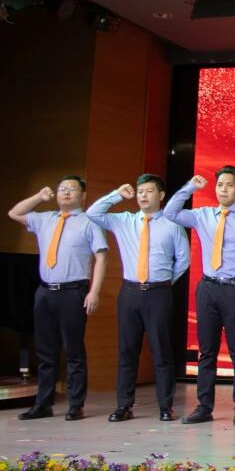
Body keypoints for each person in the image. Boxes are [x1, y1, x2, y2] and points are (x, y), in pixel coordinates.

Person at [164, 167, 235, 426]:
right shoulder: (203, 215)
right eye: (220, 184)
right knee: (207, 351)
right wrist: (190, 187)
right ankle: (204, 407)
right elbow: (170, 213)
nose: (224, 189)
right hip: (208, 288)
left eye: (229, 185)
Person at [87, 175, 190, 422]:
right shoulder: (124, 221)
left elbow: (183, 259)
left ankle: (165, 406)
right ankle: (124, 405)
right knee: (127, 350)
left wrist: (164, 281)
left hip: (159, 293)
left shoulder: (172, 224)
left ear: (161, 195)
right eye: (140, 191)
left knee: (161, 351)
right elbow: (93, 213)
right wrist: (116, 195)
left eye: (149, 191)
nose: (143, 195)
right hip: (130, 292)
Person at [8, 177, 108, 421]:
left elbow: (102, 257)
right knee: (45, 351)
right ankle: (43, 403)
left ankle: (76, 404)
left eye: (71, 189)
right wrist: (38, 198)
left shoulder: (89, 222)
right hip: (45, 291)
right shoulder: (45, 218)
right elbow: (14, 213)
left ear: (83, 196)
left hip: (73, 292)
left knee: (73, 350)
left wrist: (94, 291)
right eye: (62, 189)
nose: (65, 193)